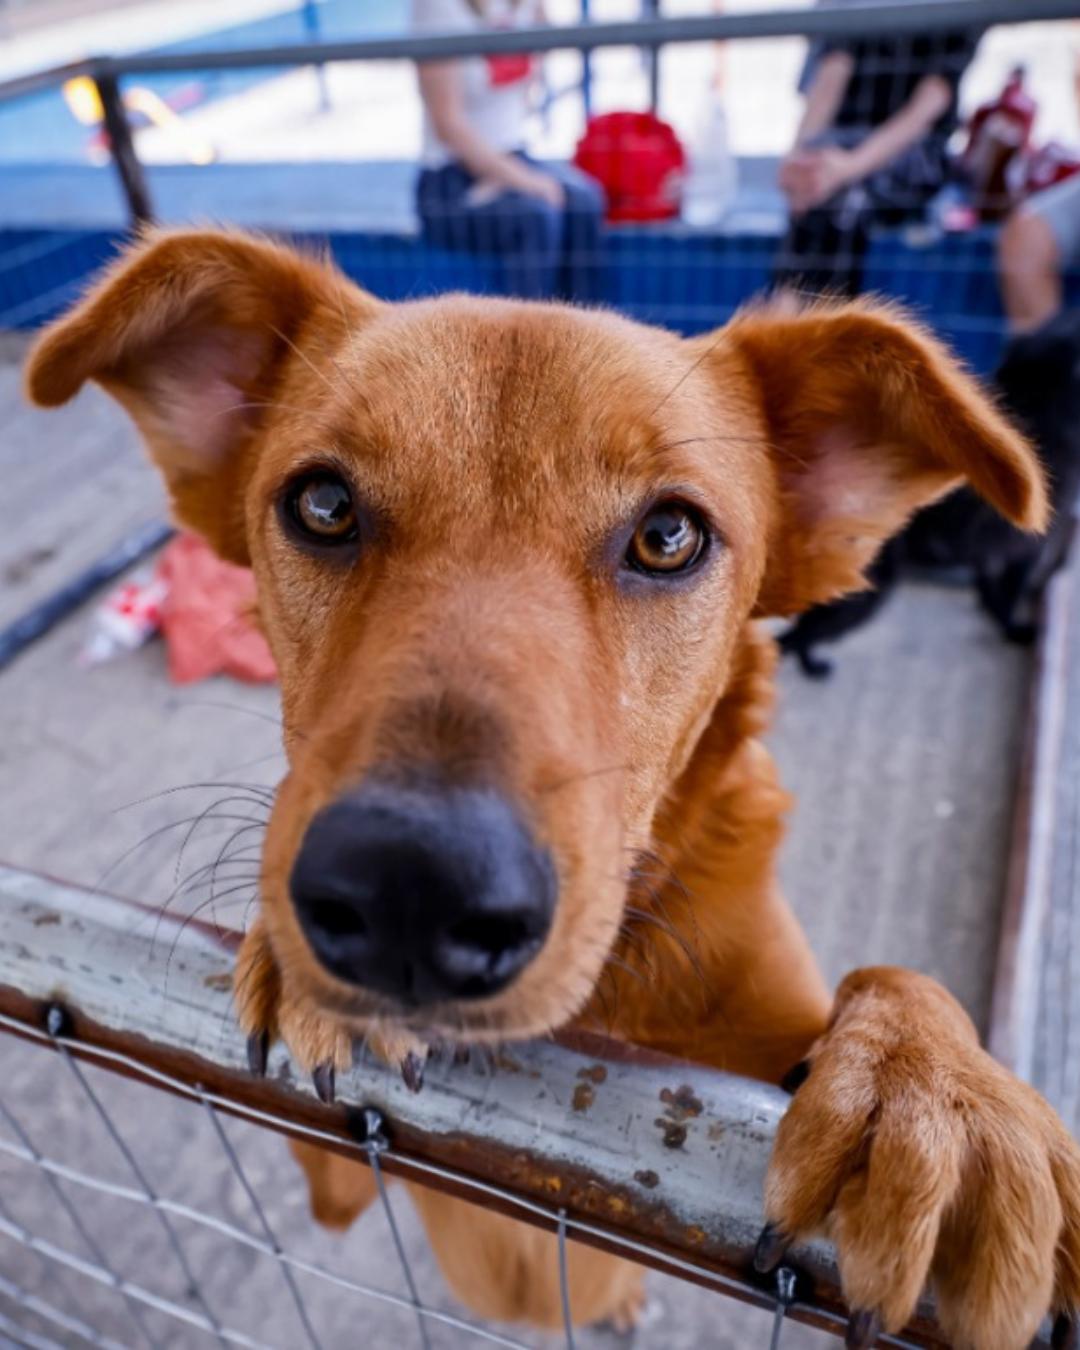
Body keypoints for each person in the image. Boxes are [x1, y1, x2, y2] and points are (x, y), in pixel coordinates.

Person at [411, 0, 604, 301]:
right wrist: (519, 180)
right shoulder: (437, 9)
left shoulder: (522, 7)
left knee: (585, 201)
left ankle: (581, 331)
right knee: (535, 218)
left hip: (511, 155)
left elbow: (534, 79)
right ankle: (530, 341)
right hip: (448, 179)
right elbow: (447, 125)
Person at [775, 17, 982, 297]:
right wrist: (799, 159)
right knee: (817, 186)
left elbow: (929, 105)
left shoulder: (956, 13)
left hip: (913, 156)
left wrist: (849, 168)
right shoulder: (847, 11)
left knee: (847, 201)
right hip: (837, 153)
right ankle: (788, 318)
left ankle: (811, 322)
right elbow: (831, 76)